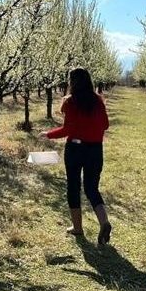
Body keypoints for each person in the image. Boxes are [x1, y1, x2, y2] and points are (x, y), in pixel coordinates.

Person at [39, 67, 113, 245]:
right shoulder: (98, 101)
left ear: (72, 82)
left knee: (73, 187)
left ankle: (77, 228)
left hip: (75, 149)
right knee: (91, 188)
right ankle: (104, 222)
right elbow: (105, 125)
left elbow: (67, 130)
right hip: (95, 149)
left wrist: (48, 134)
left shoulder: (70, 102)